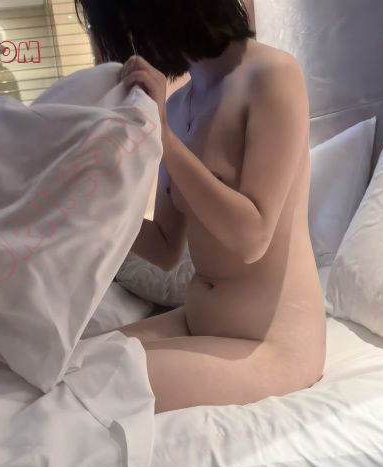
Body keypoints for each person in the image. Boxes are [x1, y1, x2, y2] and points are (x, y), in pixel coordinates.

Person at [77, 0, 325, 413]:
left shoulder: (273, 75)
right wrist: (93, 207)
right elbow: (165, 246)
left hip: (271, 344)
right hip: (198, 321)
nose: (134, 43)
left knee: (91, 385)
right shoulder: (177, 106)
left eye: (131, 27)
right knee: (68, 362)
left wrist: (165, 139)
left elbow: (252, 238)